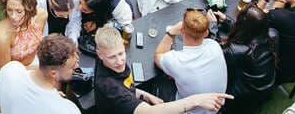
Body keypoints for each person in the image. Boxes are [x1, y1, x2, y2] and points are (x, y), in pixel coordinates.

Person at [94, 26, 229, 114]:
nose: (119, 61)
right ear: (100, 54)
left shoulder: (109, 63)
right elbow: (150, 112)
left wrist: (147, 96)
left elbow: (127, 86)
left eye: (121, 53)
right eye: (112, 57)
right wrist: (195, 101)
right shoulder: (110, 87)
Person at [155, 9, 227, 114]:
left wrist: (172, 32)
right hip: (215, 108)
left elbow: (157, 56)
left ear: (182, 30)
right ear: (206, 33)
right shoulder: (214, 45)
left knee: (158, 81)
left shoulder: (177, 60)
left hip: (190, 110)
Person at [0, 33, 81, 114]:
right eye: (72, 67)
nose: (77, 66)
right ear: (53, 74)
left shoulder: (9, 70)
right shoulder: (68, 110)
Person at [213, 5, 278, 114]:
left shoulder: (237, 50)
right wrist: (226, 20)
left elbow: (215, 50)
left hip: (241, 96)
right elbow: (251, 30)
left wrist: (212, 26)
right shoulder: (273, 34)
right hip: (265, 89)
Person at [0, 0, 48, 69]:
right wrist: (35, 70)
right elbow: (6, 72)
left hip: (37, 63)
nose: (13, 16)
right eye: (9, 10)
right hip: (16, 75)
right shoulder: (2, 36)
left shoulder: (42, 15)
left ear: (30, 8)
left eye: (19, 11)